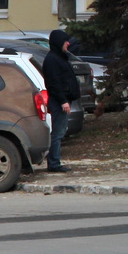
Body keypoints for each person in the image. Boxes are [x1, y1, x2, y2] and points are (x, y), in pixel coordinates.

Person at [42, 30, 80, 173]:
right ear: (59, 42)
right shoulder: (52, 60)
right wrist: (63, 101)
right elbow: (54, 83)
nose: (68, 44)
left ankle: (54, 161)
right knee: (57, 133)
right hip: (59, 101)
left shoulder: (59, 57)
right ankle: (54, 163)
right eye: (66, 41)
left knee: (60, 131)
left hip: (63, 100)